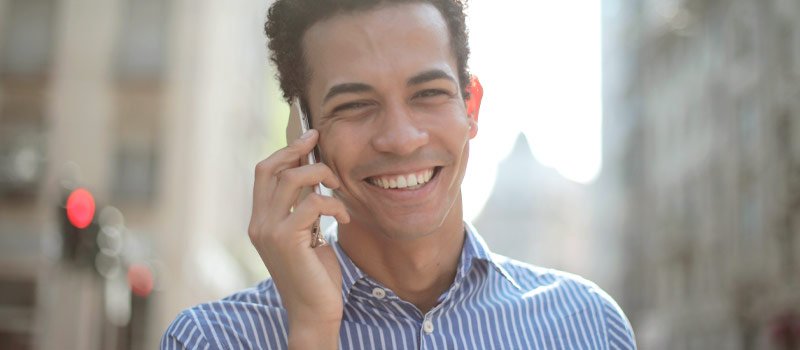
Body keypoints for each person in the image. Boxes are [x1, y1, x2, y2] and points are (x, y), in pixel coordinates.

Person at [161, 0, 637, 348]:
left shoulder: (588, 325)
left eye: (427, 93)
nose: (402, 138)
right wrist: (311, 328)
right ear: (304, 132)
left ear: (470, 107)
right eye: (355, 105)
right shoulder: (210, 339)